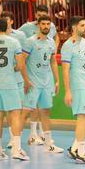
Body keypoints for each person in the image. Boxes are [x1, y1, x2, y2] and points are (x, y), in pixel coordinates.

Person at [0, 17, 29, 161]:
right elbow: (20, 65)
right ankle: (16, 150)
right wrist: (11, 68)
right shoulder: (13, 42)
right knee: (15, 115)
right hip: (9, 82)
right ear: (6, 27)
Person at [20, 15, 63, 154]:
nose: (46, 26)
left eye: (48, 24)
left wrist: (57, 80)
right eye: (43, 24)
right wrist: (26, 80)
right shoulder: (30, 42)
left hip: (46, 83)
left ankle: (48, 144)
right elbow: (22, 62)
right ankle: (16, 145)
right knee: (25, 113)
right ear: (38, 25)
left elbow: (53, 62)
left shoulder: (51, 42)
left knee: (45, 112)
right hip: (33, 83)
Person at [62, 16, 85, 164]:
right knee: (82, 117)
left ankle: (74, 148)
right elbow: (65, 70)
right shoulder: (67, 46)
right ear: (74, 27)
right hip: (78, 86)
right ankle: (81, 153)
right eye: (82, 25)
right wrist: (68, 91)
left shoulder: (84, 41)